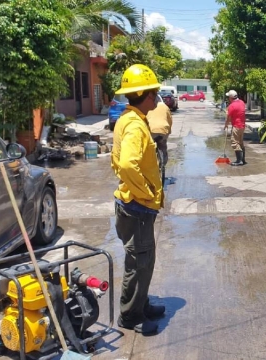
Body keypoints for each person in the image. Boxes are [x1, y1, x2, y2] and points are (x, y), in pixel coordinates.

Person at [111, 64, 165, 334]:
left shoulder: (128, 119)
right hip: (137, 207)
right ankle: (130, 315)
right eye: (153, 93)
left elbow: (116, 161)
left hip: (134, 205)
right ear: (142, 93)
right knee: (138, 262)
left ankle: (140, 303)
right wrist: (146, 194)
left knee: (144, 260)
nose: (156, 98)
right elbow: (127, 165)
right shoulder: (134, 126)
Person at [147, 96, 173, 168]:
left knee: (149, 147)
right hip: (163, 130)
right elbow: (170, 120)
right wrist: (169, 131)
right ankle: (163, 164)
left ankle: (149, 164)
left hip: (151, 130)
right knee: (162, 146)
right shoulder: (165, 107)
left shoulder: (148, 106)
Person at [223, 90, 247, 166]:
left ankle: (239, 161)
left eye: (228, 97)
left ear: (230, 98)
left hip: (236, 126)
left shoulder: (231, 106)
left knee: (234, 142)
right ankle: (243, 160)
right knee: (240, 142)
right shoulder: (242, 102)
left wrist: (226, 125)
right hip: (242, 126)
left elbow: (228, 118)